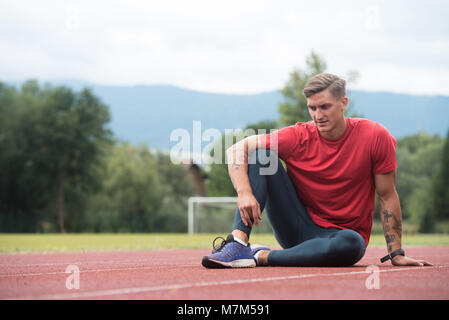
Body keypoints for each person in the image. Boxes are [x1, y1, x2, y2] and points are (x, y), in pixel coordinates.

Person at [202, 73, 433, 269]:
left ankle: (259, 256)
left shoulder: (375, 137)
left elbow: (387, 194)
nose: (318, 115)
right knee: (263, 156)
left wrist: (396, 253)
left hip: (342, 237)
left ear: (343, 103)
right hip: (298, 227)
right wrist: (244, 192)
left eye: (325, 107)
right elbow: (236, 149)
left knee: (351, 244)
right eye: (312, 108)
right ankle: (238, 244)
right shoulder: (298, 136)